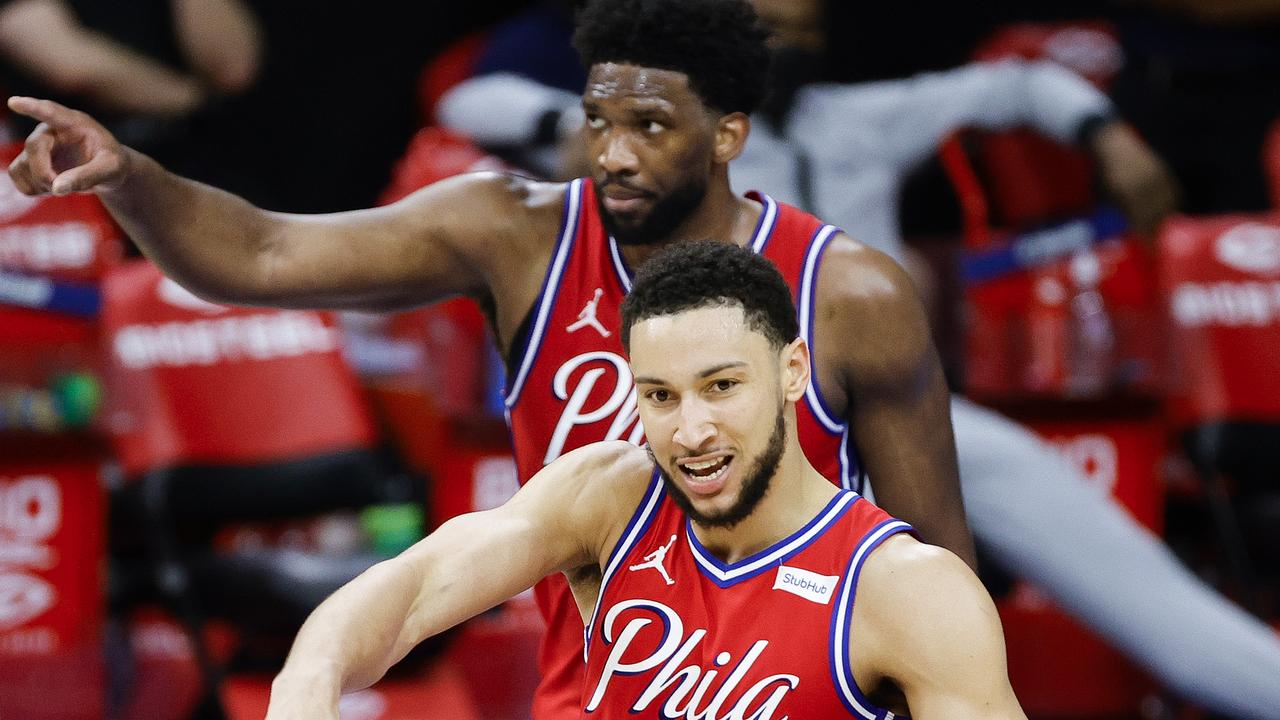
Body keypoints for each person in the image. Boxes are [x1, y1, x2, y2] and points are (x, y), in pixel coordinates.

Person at [6, 0, 973, 717]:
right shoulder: (520, 247)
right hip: (598, 690)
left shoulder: (851, 295)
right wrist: (128, 178)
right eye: (599, 121)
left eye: (651, 128)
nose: (616, 155)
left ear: (727, 135)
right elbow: (261, 253)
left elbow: (940, 577)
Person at [432, 3, 1280, 717]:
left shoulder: (865, 117)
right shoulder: (667, 140)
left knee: (1129, 579)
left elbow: (1017, 84)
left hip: (903, 408)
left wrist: (1106, 136)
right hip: (747, 431)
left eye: (804, 31)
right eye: (769, 27)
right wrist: (557, 127)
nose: (787, 48)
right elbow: (473, 98)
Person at [264, 241, 1027, 720]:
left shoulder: (905, 589)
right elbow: (413, 589)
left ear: (793, 370)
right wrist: (309, 681)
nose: (689, 430)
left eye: (722, 387)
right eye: (660, 396)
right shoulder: (610, 496)